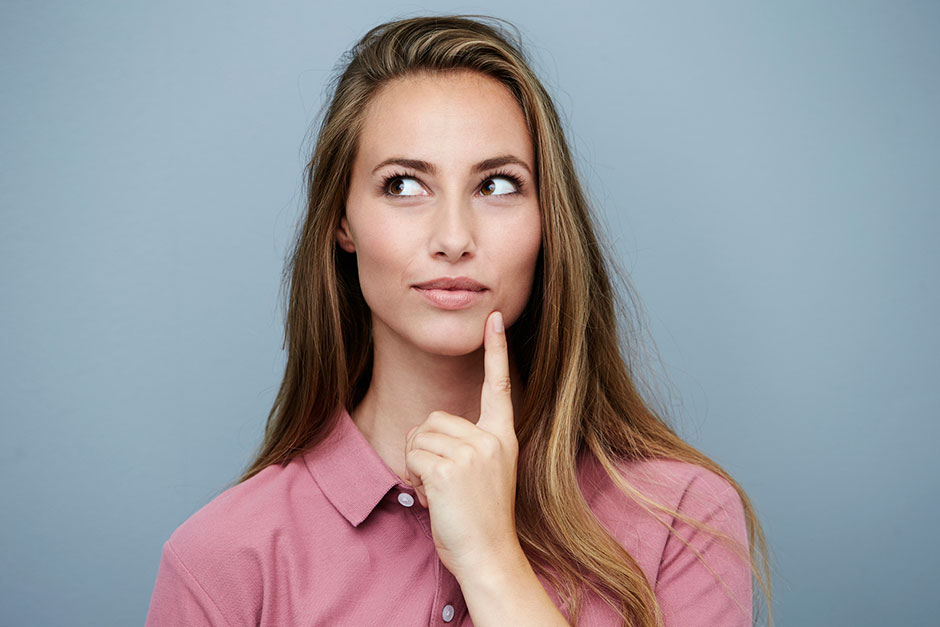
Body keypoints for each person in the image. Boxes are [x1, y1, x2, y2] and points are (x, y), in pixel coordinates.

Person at [145, 13, 773, 627]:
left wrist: (492, 560)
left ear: (548, 220)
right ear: (343, 222)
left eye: (497, 186)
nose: (453, 238)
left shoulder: (680, 516)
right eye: (402, 185)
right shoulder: (220, 561)